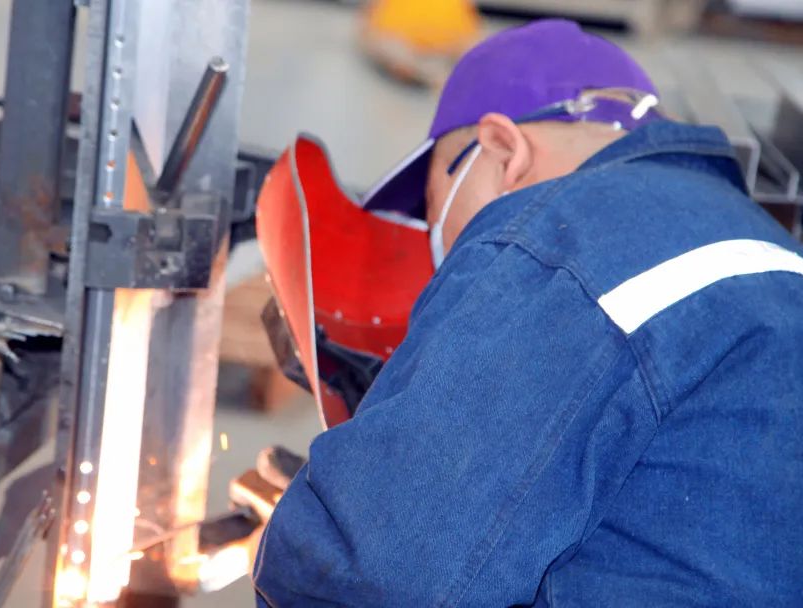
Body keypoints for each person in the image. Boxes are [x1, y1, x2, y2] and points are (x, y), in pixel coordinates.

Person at [251, 19, 803, 607]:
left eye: (435, 204)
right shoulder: (774, 254)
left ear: (502, 152)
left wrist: (295, 543)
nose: (438, 249)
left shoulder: (556, 236)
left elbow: (375, 574)